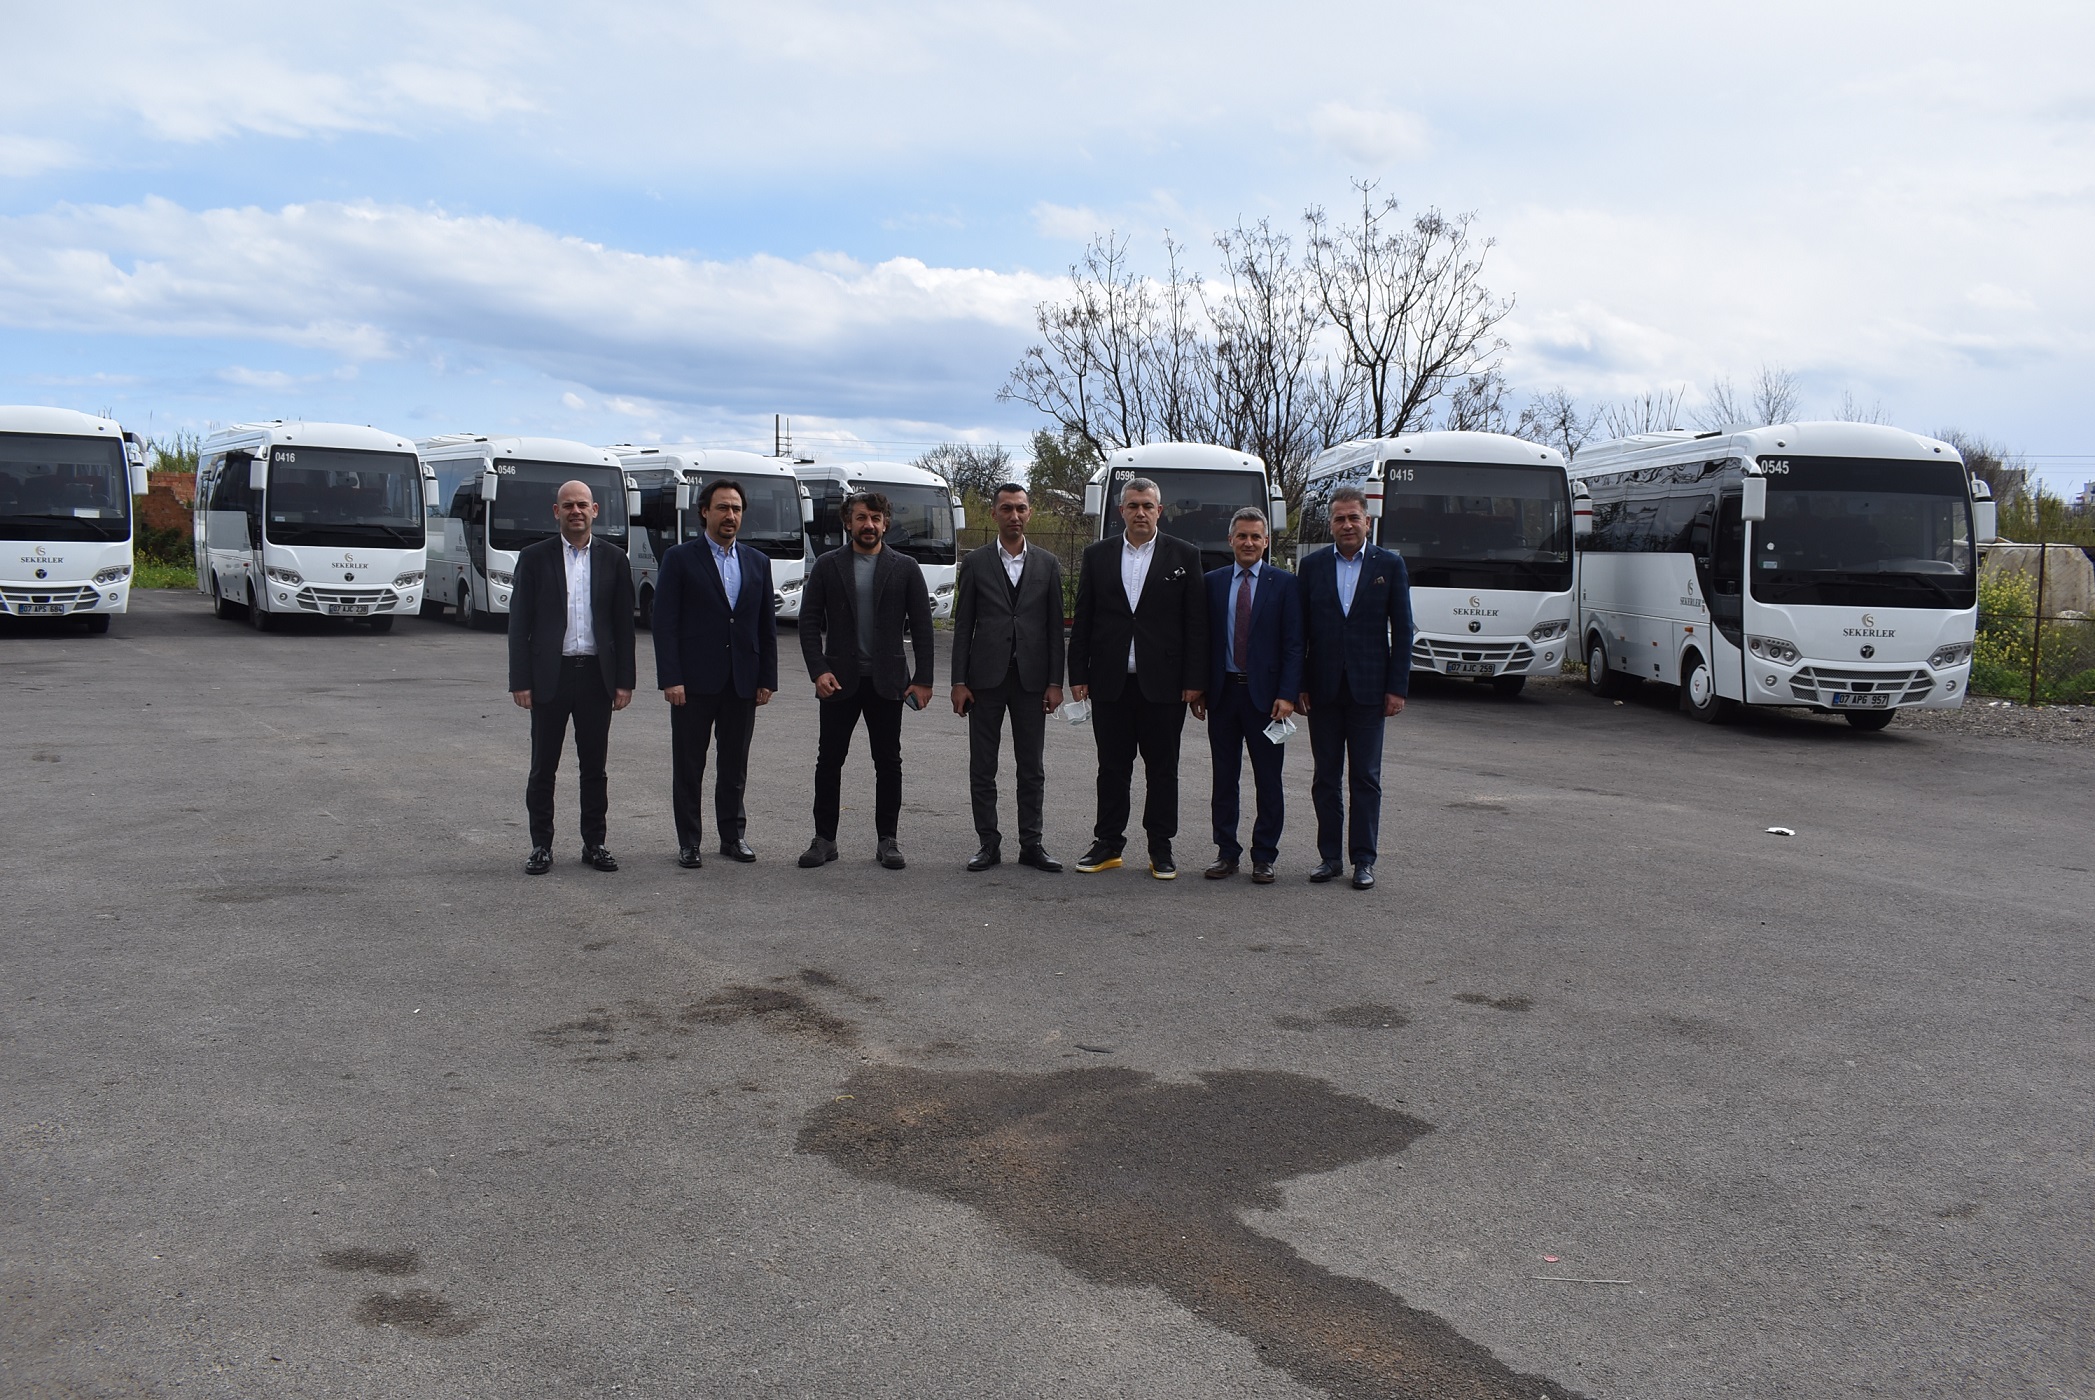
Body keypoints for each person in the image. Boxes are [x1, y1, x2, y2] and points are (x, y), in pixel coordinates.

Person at [1066, 476, 1208, 879]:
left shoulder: (1185, 556)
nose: (1140, 512)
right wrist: (1078, 673)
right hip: (1110, 682)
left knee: (1162, 769)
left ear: (1159, 511)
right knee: (1111, 768)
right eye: (1133, 506)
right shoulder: (1097, 555)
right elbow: (1083, 618)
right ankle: (1108, 844)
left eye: (1147, 506)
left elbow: (1196, 624)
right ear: (1121, 511)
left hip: (1165, 684)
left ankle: (1161, 848)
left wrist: (1195, 680)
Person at [796, 490, 935, 870]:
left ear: (885, 523)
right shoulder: (827, 566)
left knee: (888, 762)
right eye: (861, 517)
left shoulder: (906, 568)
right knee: (829, 762)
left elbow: (923, 627)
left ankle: (888, 840)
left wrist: (923, 679)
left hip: (888, 683)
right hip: (838, 682)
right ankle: (824, 840)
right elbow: (808, 623)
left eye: (875, 518)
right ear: (848, 522)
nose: (868, 524)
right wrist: (818, 670)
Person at [507, 479, 637, 875]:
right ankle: (541, 846)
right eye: (568, 505)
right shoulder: (534, 558)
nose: (575, 511)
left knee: (594, 768)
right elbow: (519, 623)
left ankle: (594, 843)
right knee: (543, 768)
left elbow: (623, 626)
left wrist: (625, 680)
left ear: (595, 510)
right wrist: (520, 680)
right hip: (551, 675)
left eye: (582, 505)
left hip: (597, 676)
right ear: (556, 512)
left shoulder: (614, 559)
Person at [652, 478, 778, 869]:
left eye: (736, 509)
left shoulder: (757, 562)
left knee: (734, 766)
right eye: (723, 507)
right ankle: (689, 842)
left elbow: (765, 626)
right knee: (690, 766)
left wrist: (767, 678)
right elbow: (665, 623)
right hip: (693, 682)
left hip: (742, 681)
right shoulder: (679, 559)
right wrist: (671, 678)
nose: (730, 515)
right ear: (705, 512)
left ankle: (732, 837)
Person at [1297, 484, 1412, 890]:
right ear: (1330, 524)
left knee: (1365, 778)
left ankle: (1363, 859)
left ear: (1367, 520)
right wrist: (1299, 684)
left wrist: (1397, 688)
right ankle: (1329, 858)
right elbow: (1299, 632)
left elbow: (1403, 630)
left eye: (1353, 518)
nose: (1347, 525)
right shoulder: (1312, 567)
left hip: (1370, 691)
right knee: (1325, 778)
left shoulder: (1390, 565)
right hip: (1323, 690)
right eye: (1339, 518)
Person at [950, 482, 1067, 873]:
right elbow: (963, 625)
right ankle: (988, 843)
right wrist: (958, 681)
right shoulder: (976, 563)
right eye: (1006, 509)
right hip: (984, 680)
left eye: (1020, 508)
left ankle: (1032, 844)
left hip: (1032, 681)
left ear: (1029, 513)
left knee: (1031, 768)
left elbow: (1055, 629)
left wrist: (1055, 682)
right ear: (994, 514)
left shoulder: (1048, 564)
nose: (1014, 515)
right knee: (983, 766)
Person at [1192, 508, 1302, 884]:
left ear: (1266, 542)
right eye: (1242, 536)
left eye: (1256, 536)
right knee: (1224, 779)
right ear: (1230, 540)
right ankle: (1226, 853)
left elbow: (1294, 644)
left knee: (1268, 781)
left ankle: (1264, 856)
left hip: (1268, 701)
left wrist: (1287, 694)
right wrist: (1199, 688)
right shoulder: (1212, 583)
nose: (1249, 543)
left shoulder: (1284, 584)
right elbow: (1201, 640)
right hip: (1223, 695)